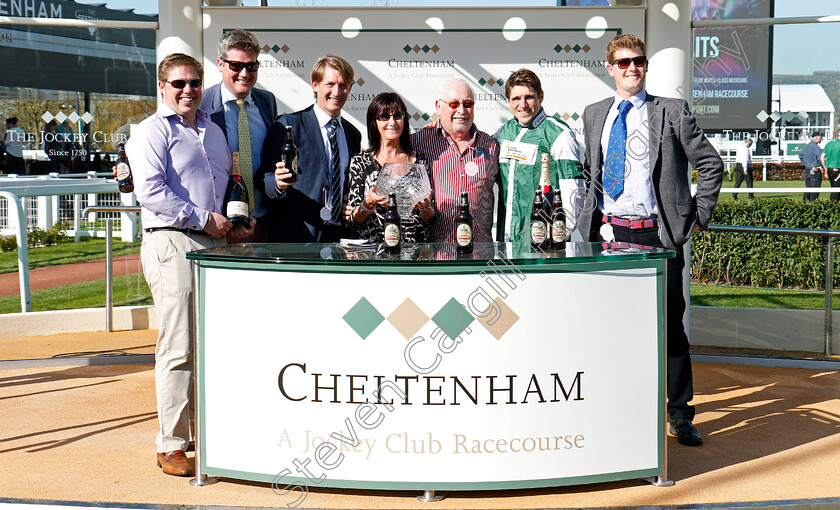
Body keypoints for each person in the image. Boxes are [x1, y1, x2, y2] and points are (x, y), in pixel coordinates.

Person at [578, 34, 724, 447]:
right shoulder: (594, 115)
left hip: (659, 238)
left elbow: (711, 165)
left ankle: (680, 415)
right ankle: (615, 409)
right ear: (610, 68)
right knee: (611, 329)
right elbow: (593, 174)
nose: (631, 68)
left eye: (638, 61)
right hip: (609, 238)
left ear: (645, 65)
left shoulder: (672, 112)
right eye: (622, 62)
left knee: (669, 331)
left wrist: (698, 217)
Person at [126, 53, 253, 477]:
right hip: (171, 241)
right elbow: (150, 191)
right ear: (161, 87)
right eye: (178, 83)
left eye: (194, 83)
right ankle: (172, 443)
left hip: (214, 245)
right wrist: (203, 218)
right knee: (178, 344)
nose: (187, 90)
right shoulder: (149, 132)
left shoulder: (214, 132)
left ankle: (201, 431)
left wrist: (233, 224)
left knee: (209, 343)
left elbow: (218, 193)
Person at [258, 55, 362, 242]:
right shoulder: (288, 125)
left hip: (339, 239)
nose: (337, 92)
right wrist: (278, 184)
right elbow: (264, 176)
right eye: (330, 84)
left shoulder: (352, 134)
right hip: (297, 237)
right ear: (315, 85)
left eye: (343, 85)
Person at [200, 29, 277, 242]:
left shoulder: (267, 102)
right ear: (220, 64)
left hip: (263, 221)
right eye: (236, 66)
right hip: (219, 225)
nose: (244, 73)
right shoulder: (201, 105)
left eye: (251, 66)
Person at [494, 69, 585, 243]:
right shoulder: (505, 131)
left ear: (540, 96)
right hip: (507, 239)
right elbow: (478, 148)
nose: (523, 104)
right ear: (508, 101)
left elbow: (575, 190)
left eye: (529, 97)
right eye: (516, 99)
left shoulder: (559, 133)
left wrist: (558, 237)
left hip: (543, 243)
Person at [411, 79, 499, 243]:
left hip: (479, 256)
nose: (462, 110)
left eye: (468, 104)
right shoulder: (417, 143)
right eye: (453, 104)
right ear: (438, 106)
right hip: (433, 257)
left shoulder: (490, 145)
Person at [347, 92, 435, 242]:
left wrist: (425, 207)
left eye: (397, 116)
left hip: (414, 254)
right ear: (374, 122)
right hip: (373, 254)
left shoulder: (420, 161)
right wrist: (368, 203)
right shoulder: (360, 162)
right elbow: (353, 222)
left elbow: (430, 220)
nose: (392, 122)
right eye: (384, 117)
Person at [800, 131, 826, 202]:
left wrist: (805, 164)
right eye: (821, 137)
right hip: (815, 170)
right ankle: (813, 205)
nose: (822, 139)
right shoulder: (816, 147)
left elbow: (801, 156)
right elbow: (820, 157)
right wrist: (821, 166)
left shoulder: (806, 146)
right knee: (815, 190)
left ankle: (805, 204)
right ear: (817, 137)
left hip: (807, 170)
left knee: (808, 189)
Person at [821, 131, 840, 201]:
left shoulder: (828, 144)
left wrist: (825, 169)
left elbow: (822, 157)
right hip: (837, 169)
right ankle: (834, 207)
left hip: (829, 170)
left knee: (834, 188)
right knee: (836, 191)